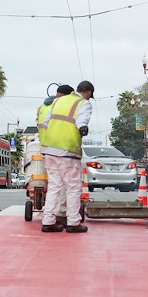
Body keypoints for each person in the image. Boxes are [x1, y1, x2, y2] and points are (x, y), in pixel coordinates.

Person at [40, 80, 95, 233]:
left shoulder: (58, 101)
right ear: (89, 93)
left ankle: (48, 221)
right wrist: (82, 127)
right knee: (73, 187)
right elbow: (81, 120)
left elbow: (45, 122)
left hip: (49, 149)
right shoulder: (83, 103)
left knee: (54, 186)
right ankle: (73, 222)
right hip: (67, 150)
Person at [33, 84, 74, 226]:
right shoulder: (61, 107)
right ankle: (61, 214)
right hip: (60, 148)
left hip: (45, 148)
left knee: (54, 184)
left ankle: (49, 216)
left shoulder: (42, 108)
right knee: (63, 185)